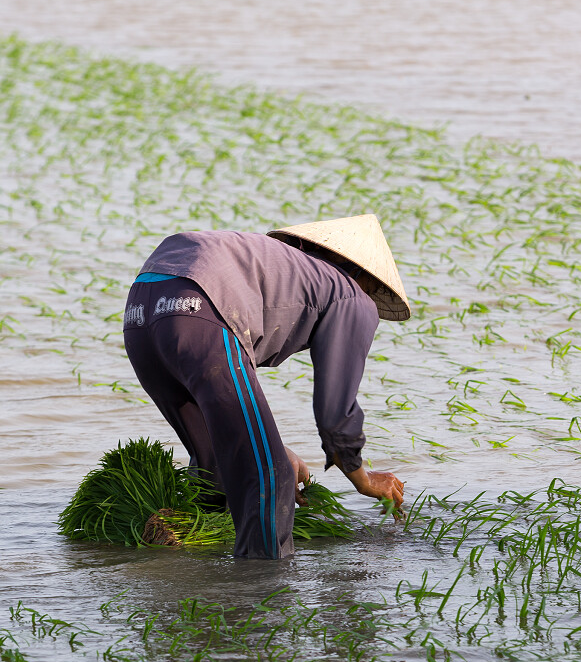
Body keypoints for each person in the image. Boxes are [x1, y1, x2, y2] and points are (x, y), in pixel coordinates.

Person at [121, 213, 408, 560]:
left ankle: (192, 567)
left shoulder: (286, 268)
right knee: (271, 478)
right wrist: (362, 477)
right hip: (203, 309)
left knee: (216, 466)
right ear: (364, 276)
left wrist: (276, 447)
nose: (370, 297)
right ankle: (262, 596)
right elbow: (335, 410)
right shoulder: (352, 296)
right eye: (374, 291)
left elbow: (231, 418)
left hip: (141, 309)